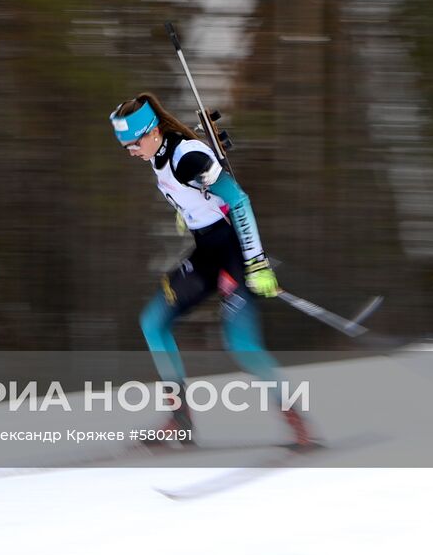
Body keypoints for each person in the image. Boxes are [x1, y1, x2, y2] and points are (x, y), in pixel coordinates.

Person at [109, 92, 312, 447]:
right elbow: (199, 195)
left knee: (241, 344)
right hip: (206, 251)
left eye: (134, 143)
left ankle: (298, 423)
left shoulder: (187, 156)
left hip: (234, 253)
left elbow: (238, 200)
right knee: (153, 322)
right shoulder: (159, 154)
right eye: (125, 146)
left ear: (153, 131)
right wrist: (187, 210)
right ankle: (181, 418)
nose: (131, 151)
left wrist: (257, 262)